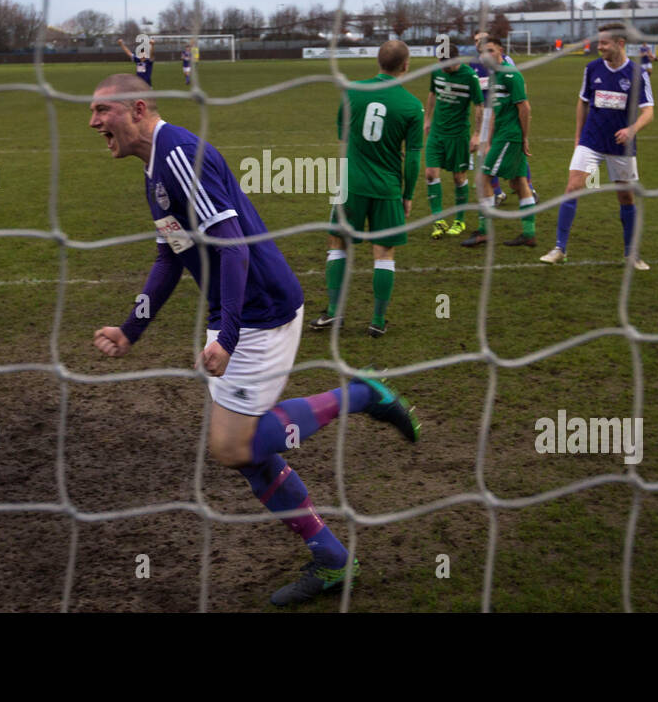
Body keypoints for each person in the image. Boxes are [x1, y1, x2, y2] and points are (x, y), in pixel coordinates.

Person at [88, 74, 419, 606]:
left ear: (137, 109)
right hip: (243, 311)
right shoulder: (157, 170)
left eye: (102, 110)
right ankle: (333, 561)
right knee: (248, 456)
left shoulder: (178, 155)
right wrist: (131, 329)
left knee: (232, 445)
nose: (93, 122)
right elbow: (170, 257)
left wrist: (227, 333)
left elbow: (234, 247)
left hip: (260, 310)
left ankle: (363, 395)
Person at [311, 39, 424, 336]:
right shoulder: (413, 106)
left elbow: (343, 139)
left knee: (338, 243)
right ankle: (377, 321)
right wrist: (408, 195)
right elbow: (412, 160)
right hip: (387, 188)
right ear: (405, 66)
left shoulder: (352, 91)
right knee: (384, 253)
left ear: (378, 61)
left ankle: (335, 313)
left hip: (350, 184)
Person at [539, 22, 654, 269]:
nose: (598, 46)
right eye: (598, 42)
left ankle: (630, 254)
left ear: (620, 44)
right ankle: (560, 248)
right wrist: (578, 137)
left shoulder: (637, 73)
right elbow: (582, 103)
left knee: (625, 196)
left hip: (620, 146)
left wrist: (632, 130)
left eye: (604, 43)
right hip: (590, 140)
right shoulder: (592, 69)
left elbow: (649, 112)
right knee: (573, 188)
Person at [460, 37, 536, 247]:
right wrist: (489, 140)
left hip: (510, 136)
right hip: (500, 136)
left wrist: (523, 138)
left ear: (501, 50)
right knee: (518, 182)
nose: (486, 56)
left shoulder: (511, 74)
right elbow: (491, 112)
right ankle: (529, 233)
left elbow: (525, 108)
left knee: (482, 178)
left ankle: (484, 231)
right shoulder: (494, 77)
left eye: (491, 51)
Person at [423, 51, 483, 238]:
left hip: (458, 135)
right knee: (430, 174)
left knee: (459, 177)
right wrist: (427, 119)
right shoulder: (437, 71)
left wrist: (477, 134)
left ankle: (460, 220)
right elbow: (433, 93)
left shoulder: (470, 77)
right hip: (437, 133)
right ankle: (438, 220)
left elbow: (479, 106)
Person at [466, 31, 506, 206]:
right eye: (475, 41)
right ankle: (496, 191)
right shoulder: (473, 64)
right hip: (485, 115)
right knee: (484, 153)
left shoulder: (504, 62)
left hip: (503, 114)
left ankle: (528, 188)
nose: (478, 43)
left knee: (512, 153)